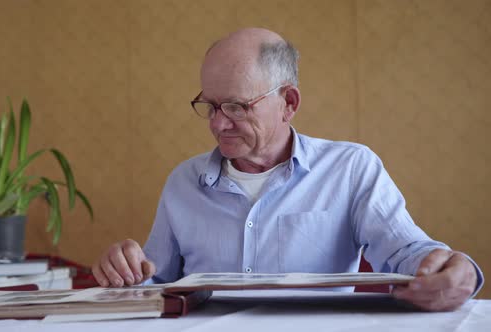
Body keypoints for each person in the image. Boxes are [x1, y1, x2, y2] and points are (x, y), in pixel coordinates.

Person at [92, 28, 483, 311]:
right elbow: (151, 285)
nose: (217, 124)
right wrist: (122, 272)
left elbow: (408, 251)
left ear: (288, 103)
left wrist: (454, 269)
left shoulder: (349, 168)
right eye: (210, 106)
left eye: (236, 107)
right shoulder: (183, 182)